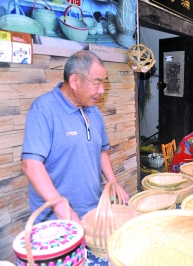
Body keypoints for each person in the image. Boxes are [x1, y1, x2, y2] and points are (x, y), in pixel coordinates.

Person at [21, 50, 129, 224]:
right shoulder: (44, 109)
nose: (101, 90)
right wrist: (61, 208)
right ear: (74, 80)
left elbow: (102, 152)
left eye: (104, 83)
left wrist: (113, 183)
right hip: (56, 219)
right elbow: (30, 165)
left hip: (92, 210)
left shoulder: (93, 111)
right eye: (96, 83)